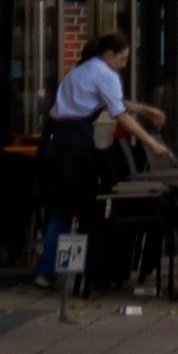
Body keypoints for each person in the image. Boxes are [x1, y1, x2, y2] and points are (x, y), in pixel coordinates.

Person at [39, 15, 162, 283]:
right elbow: (120, 113)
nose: (124, 65)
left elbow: (111, 101)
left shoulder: (80, 69)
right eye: (123, 59)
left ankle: (48, 272)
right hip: (75, 143)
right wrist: (150, 141)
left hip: (54, 140)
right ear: (109, 54)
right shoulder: (106, 74)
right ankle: (87, 272)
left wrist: (146, 109)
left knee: (61, 209)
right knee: (87, 208)